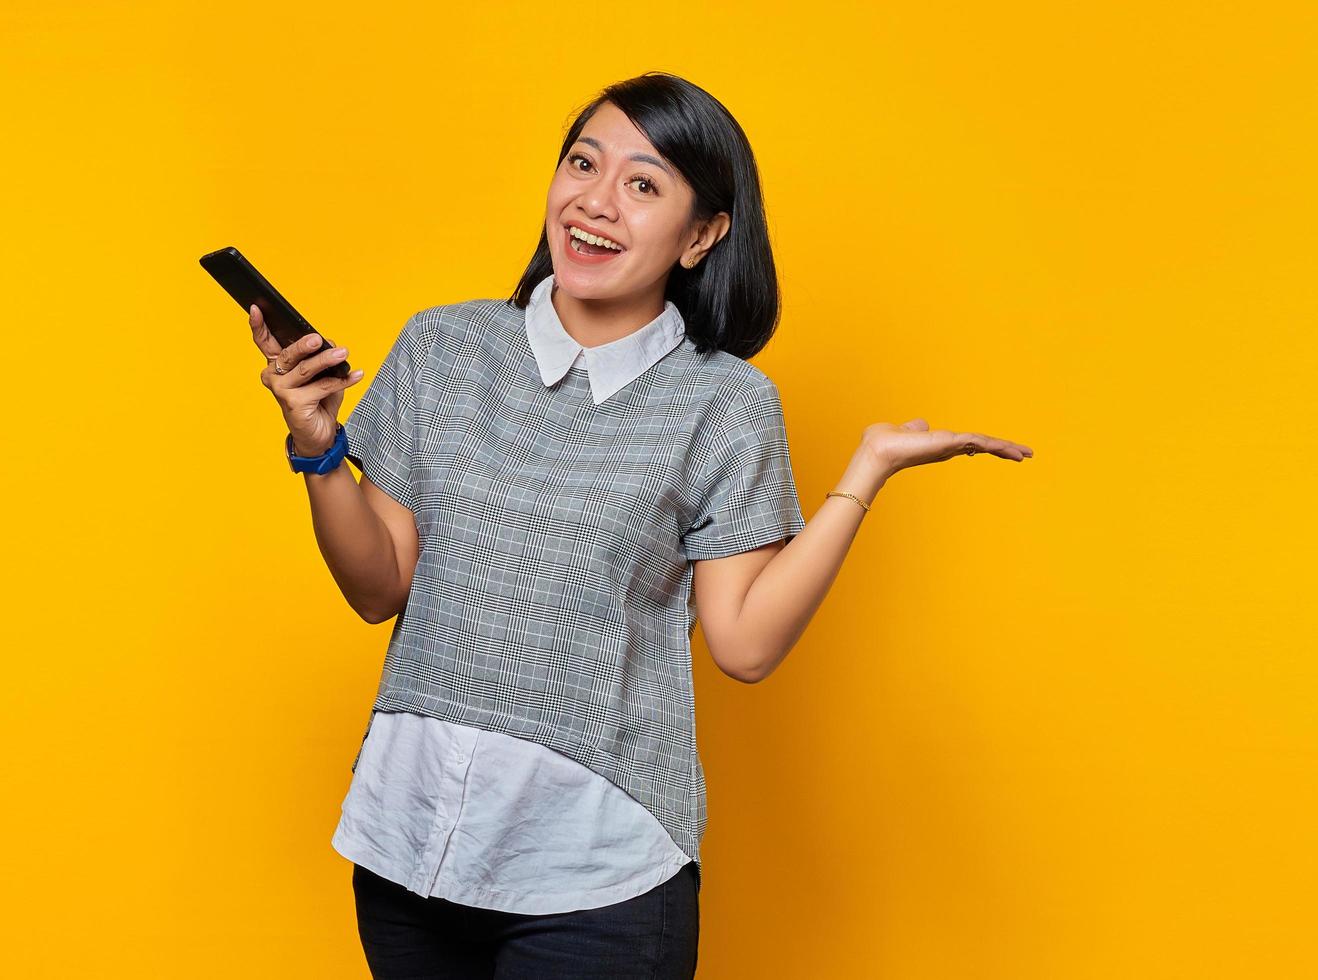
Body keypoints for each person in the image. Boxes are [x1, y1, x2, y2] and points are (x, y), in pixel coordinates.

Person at [248, 71, 1033, 979]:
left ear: (702, 236)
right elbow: (379, 585)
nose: (596, 201)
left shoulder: (723, 404)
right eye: (583, 163)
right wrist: (316, 452)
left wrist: (864, 474)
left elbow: (743, 644)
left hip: (593, 875)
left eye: (643, 184)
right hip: (407, 844)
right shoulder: (444, 348)